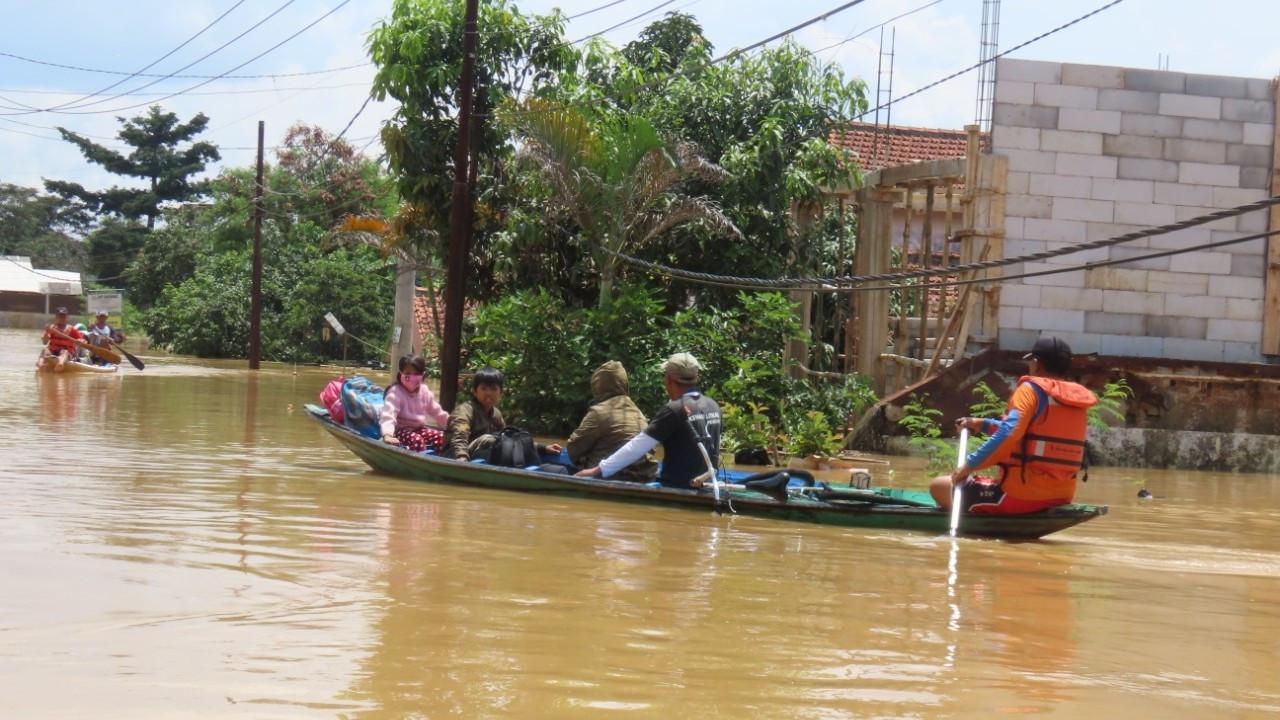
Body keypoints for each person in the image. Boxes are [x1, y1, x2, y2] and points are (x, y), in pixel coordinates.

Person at [931, 336, 1098, 514]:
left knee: (938, 486)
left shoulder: (1030, 390)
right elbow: (1027, 433)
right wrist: (982, 424)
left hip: (1021, 496)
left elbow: (1009, 432)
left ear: (1036, 363)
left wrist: (969, 465)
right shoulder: (1077, 399)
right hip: (1062, 496)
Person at [575, 352, 721, 489]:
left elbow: (637, 448)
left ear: (669, 379)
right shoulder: (713, 405)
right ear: (697, 377)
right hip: (708, 484)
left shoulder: (674, 409)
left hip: (677, 485)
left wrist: (597, 470)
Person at [443, 367, 562, 461]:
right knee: (488, 439)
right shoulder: (464, 411)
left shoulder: (496, 414)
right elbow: (459, 437)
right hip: (454, 454)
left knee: (506, 440)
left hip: (482, 452)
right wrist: (461, 457)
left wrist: (542, 448)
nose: (489, 393)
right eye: (484, 389)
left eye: (494, 389)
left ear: (501, 393)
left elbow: (507, 439)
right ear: (475, 391)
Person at [566, 361, 657, 482]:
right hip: (643, 477)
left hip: (609, 476)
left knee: (550, 468)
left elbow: (573, 451)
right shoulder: (638, 413)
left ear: (598, 386)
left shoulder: (598, 412)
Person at [380, 355, 450, 453]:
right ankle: (423, 463)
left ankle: (445, 460)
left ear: (423, 375)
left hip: (418, 429)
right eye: (408, 373)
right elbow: (388, 415)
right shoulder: (395, 392)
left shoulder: (424, 391)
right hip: (399, 431)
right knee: (417, 440)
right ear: (401, 375)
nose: (412, 377)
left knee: (443, 437)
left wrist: (454, 426)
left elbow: (437, 412)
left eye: (416, 374)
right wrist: (387, 435)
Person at [38, 307, 84, 372]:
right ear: (56, 317)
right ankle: (40, 366)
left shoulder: (72, 329)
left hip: (65, 354)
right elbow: (44, 342)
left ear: (67, 317)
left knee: (65, 352)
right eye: (60, 316)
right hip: (53, 352)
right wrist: (47, 332)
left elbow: (82, 340)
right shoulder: (51, 328)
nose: (62, 318)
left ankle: (60, 365)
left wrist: (80, 341)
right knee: (44, 350)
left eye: (63, 316)